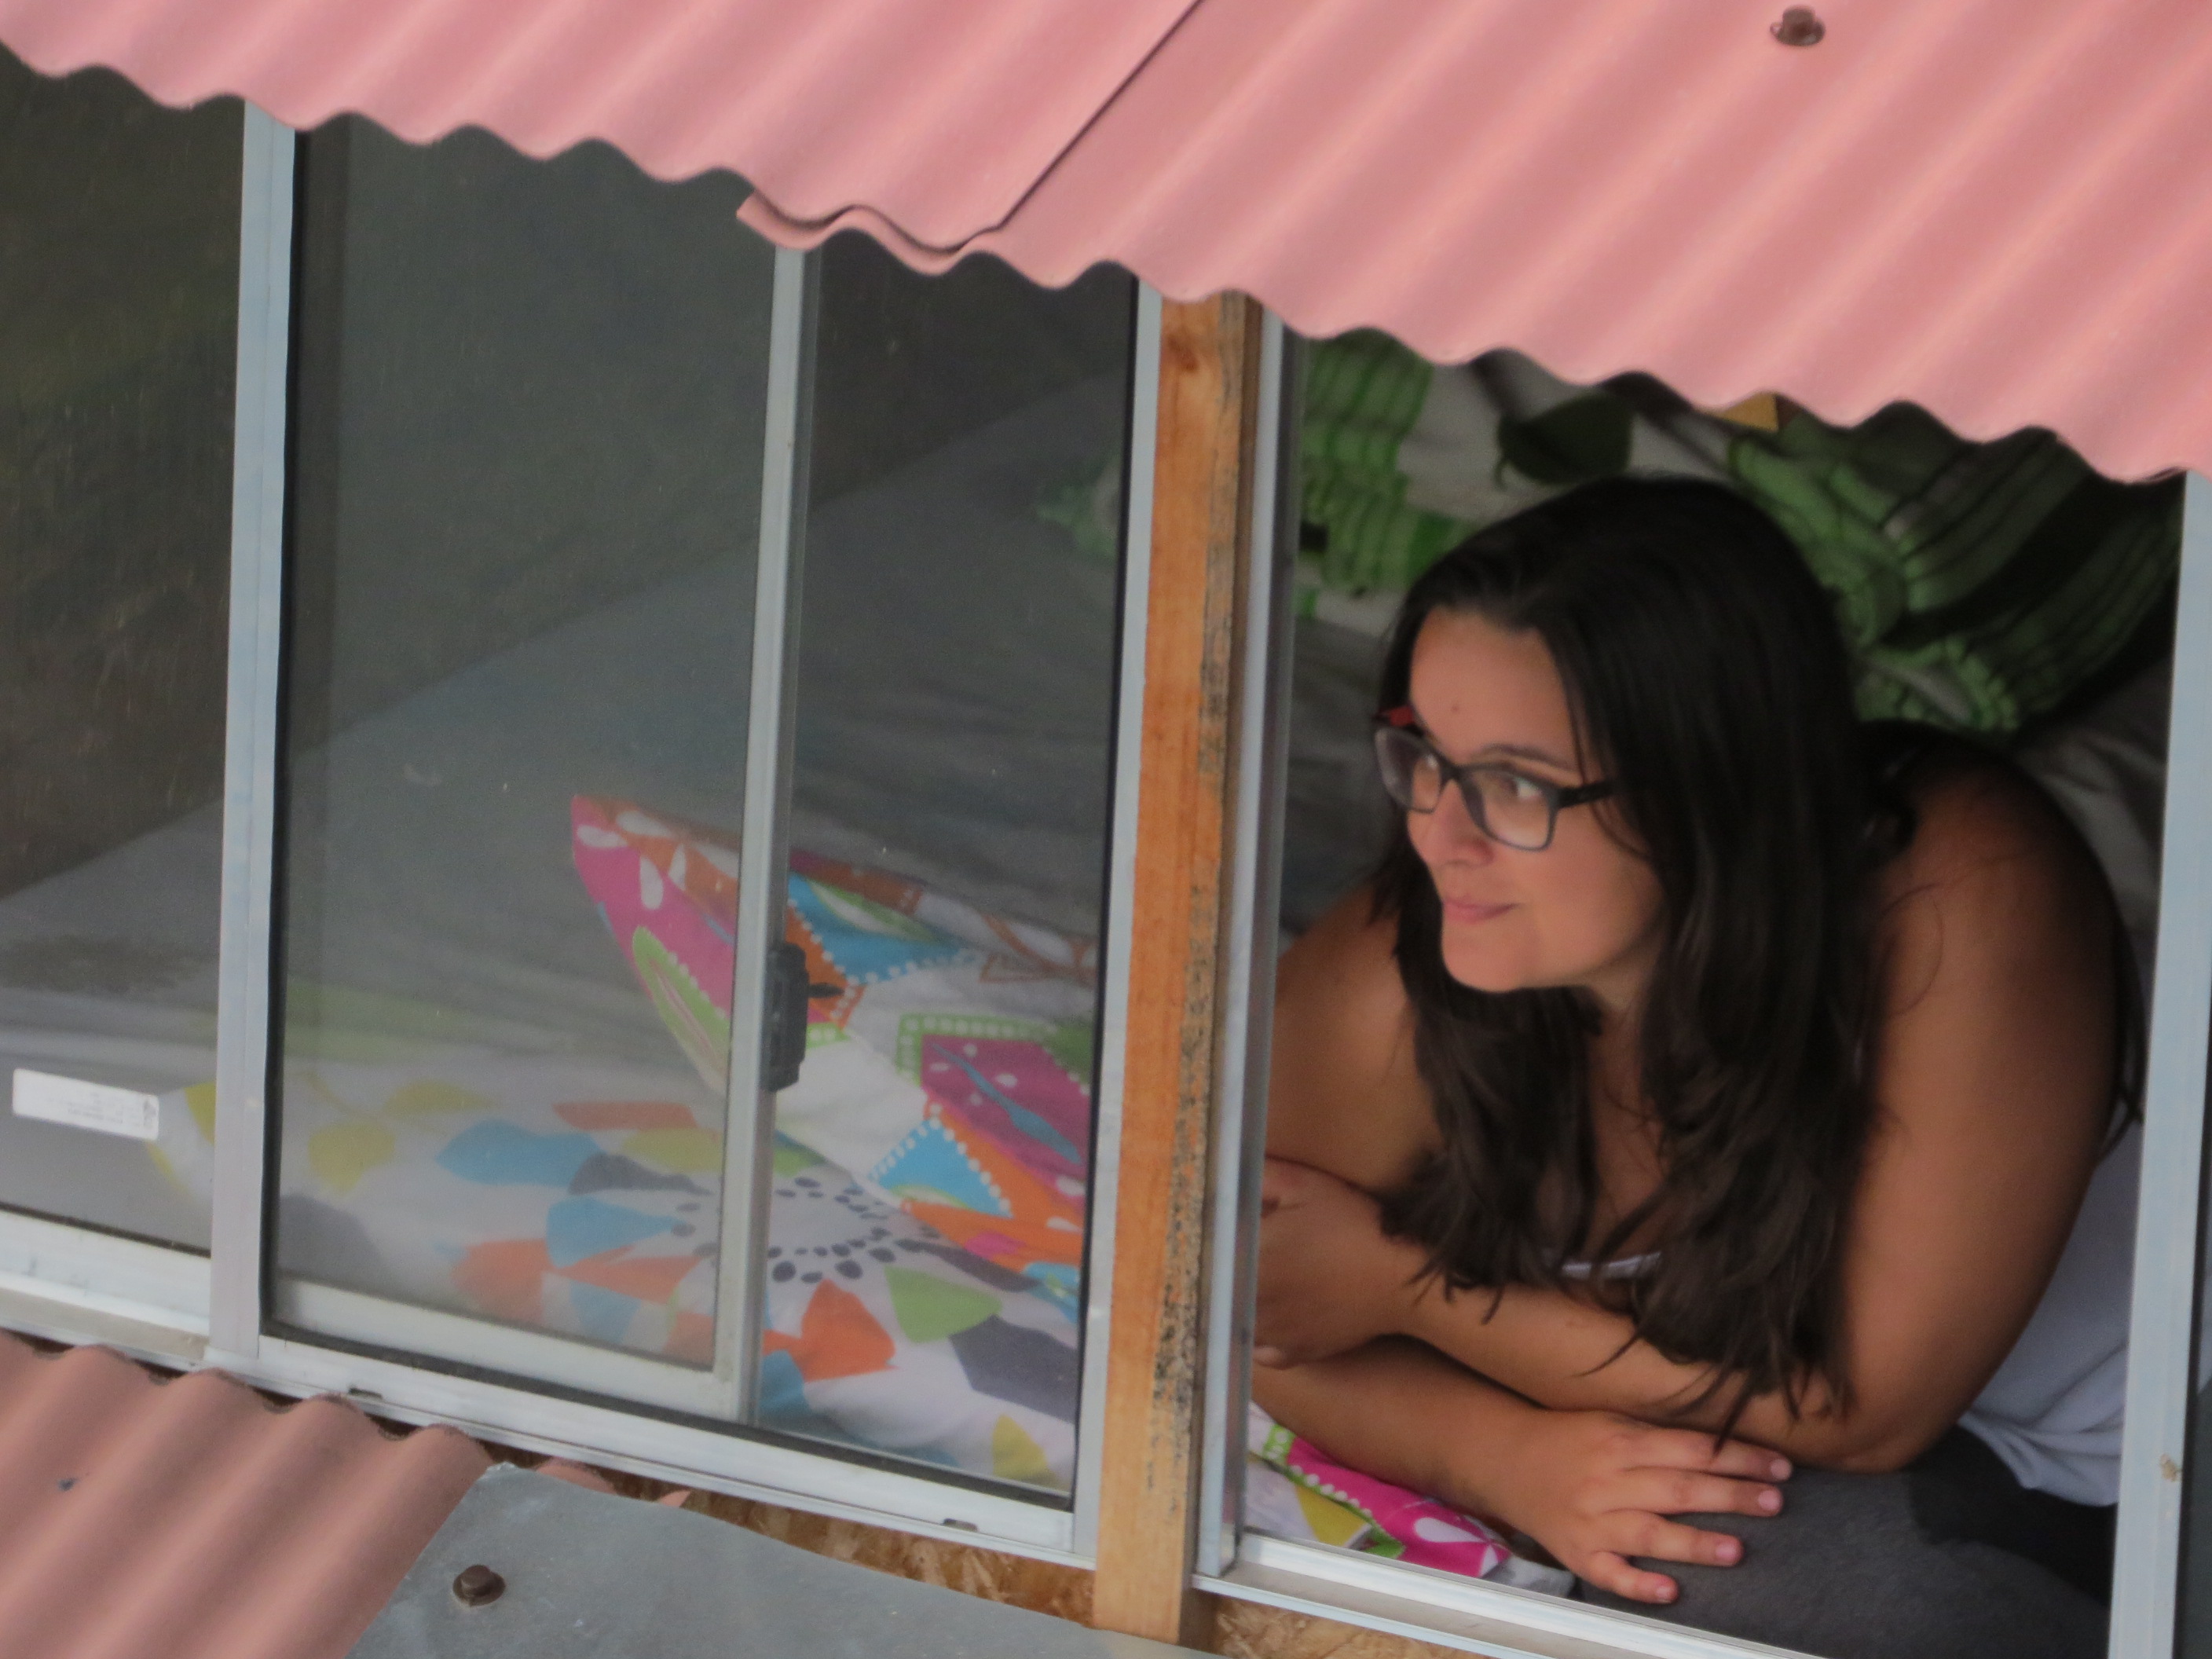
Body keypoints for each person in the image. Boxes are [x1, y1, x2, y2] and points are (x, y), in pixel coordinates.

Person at [1253, 478, 2141, 1659]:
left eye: (1515, 784)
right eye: (1423, 755)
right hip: (1835, 1473)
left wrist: (1415, 1290)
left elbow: (1862, 1409)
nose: (1440, 836)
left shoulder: (1956, 889)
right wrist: (1505, 1458)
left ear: (1709, 787)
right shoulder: (1388, 982)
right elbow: (1268, 1313)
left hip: (2129, 1447)